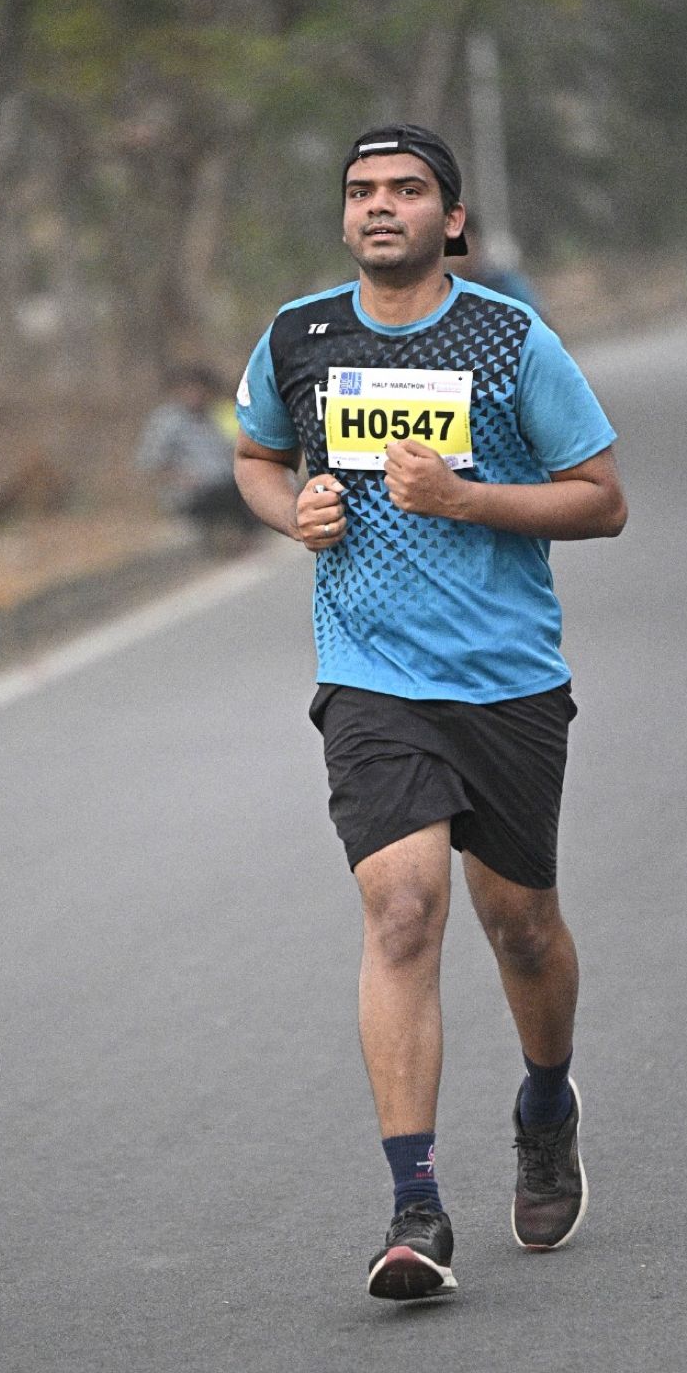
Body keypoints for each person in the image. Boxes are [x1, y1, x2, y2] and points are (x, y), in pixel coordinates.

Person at [233, 124, 626, 1300]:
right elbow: (256, 454)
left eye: (407, 190)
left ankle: (546, 1103)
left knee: (521, 928)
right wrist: (288, 508)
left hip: (506, 678)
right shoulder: (298, 336)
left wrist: (463, 496)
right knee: (403, 910)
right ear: (344, 215)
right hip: (370, 677)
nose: (381, 207)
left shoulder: (510, 337)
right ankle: (416, 1207)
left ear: (451, 217)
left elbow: (602, 499)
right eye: (361, 190)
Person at [136, 363, 260, 551]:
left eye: (200, 389)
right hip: (192, 490)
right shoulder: (167, 422)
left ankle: (244, 536)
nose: (195, 394)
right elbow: (151, 462)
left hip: (226, 481)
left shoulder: (219, 414)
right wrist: (180, 477)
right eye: (189, 389)